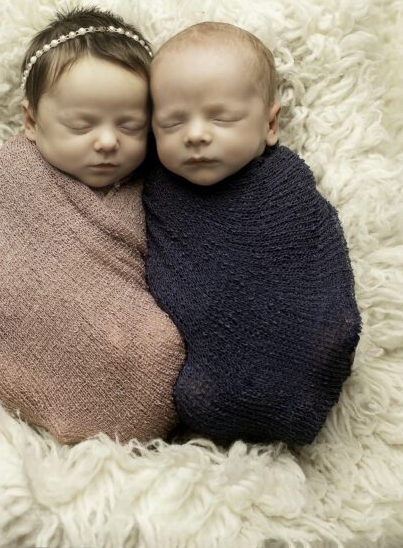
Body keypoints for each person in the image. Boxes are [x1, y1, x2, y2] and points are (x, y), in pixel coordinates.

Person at [0, 6, 185, 445]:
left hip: (139, 351)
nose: (106, 141)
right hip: (36, 346)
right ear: (31, 120)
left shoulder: (159, 186)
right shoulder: (18, 174)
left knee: (156, 348)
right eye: (82, 125)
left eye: (131, 126)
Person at [143, 22, 362, 446]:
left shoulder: (284, 185)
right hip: (200, 382)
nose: (196, 134)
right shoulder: (156, 191)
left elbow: (315, 260)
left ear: (270, 125)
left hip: (304, 345)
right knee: (196, 391)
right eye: (172, 123)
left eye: (221, 118)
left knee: (330, 327)